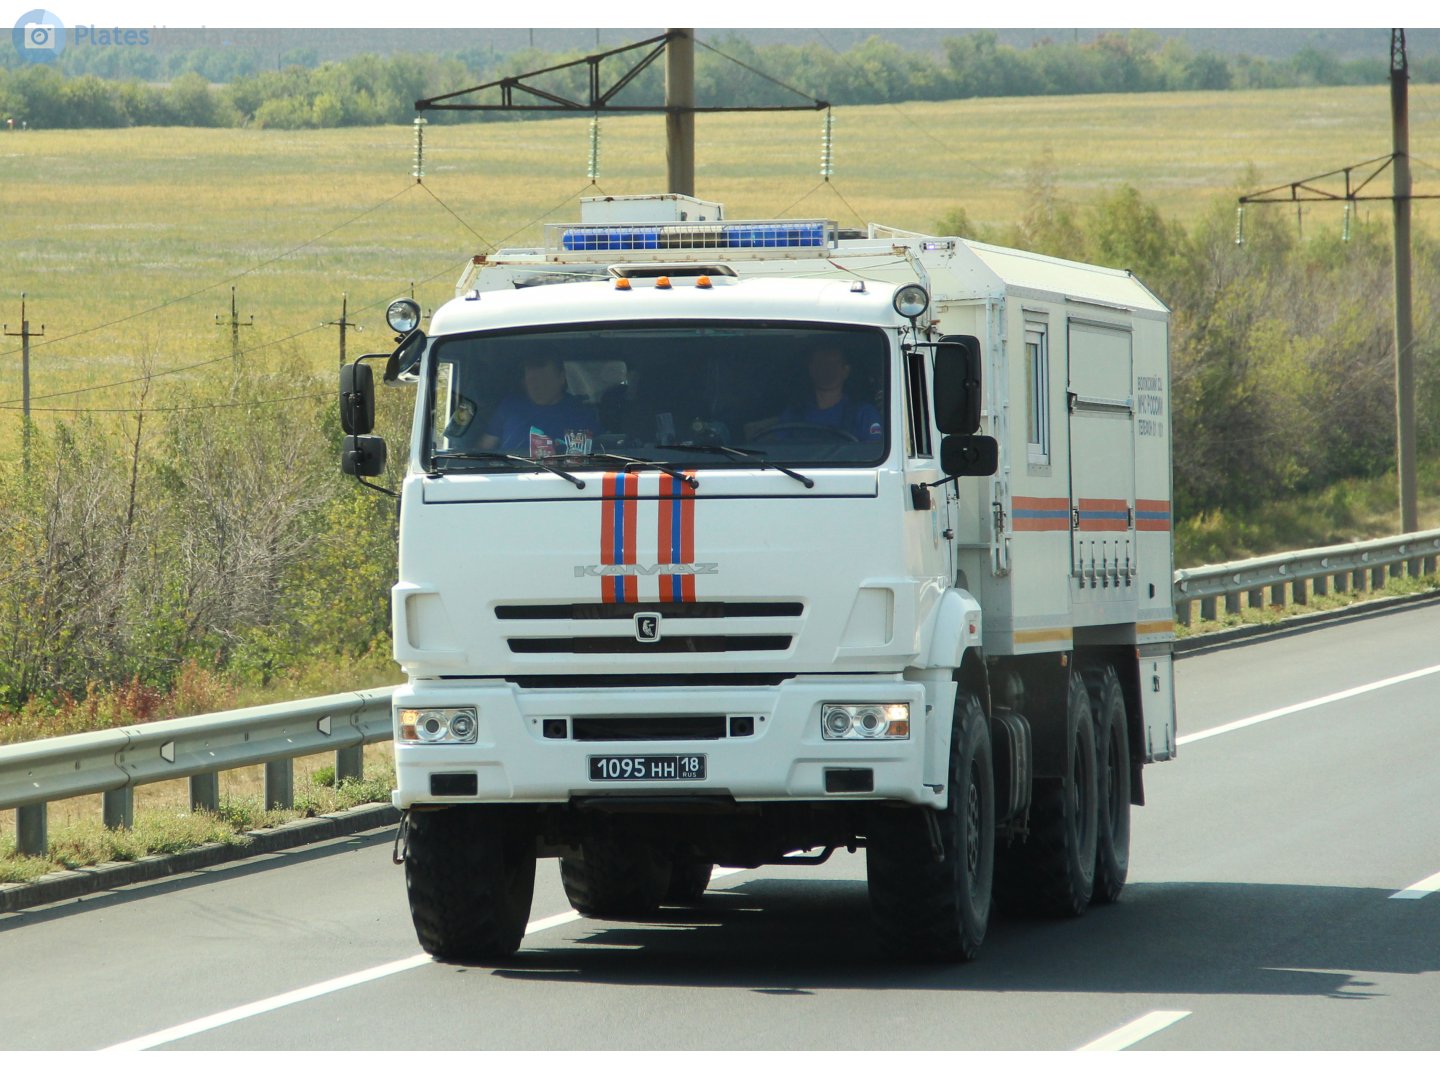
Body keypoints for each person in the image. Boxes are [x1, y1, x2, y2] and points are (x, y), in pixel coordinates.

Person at [480, 356, 599, 456]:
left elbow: (600, 454)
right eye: (532, 379)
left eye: (544, 379)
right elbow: (484, 449)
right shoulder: (510, 406)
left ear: (561, 378)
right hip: (512, 479)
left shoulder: (581, 412)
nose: (537, 385)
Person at [777, 347, 882, 442]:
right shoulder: (794, 414)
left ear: (845, 371)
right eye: (820, 364)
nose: (826, 369)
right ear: (811, 369)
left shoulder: (864, 413)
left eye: (832, 364)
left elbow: (874, 453)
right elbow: (779, 452)